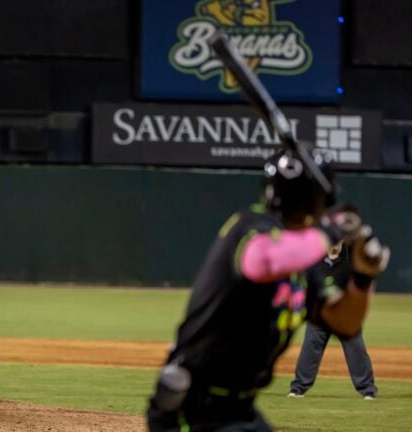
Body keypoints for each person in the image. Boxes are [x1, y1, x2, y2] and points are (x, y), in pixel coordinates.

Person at [146, 151, 390, 431]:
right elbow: (264, 261)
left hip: (239, 410)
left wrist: (362, 277)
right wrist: (331, 231)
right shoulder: (250, 227)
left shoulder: (304, 264)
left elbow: (343, 322)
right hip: (192, 407)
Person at [288, 240, 378, 400]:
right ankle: (298, 388)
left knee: (356, 350)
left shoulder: (349, 265)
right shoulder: (316, 263)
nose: (334, 243)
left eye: (338, 240)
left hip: (344, 316)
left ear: (342, 242)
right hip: (320, 315)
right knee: (309, 349)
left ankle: (367, 390)